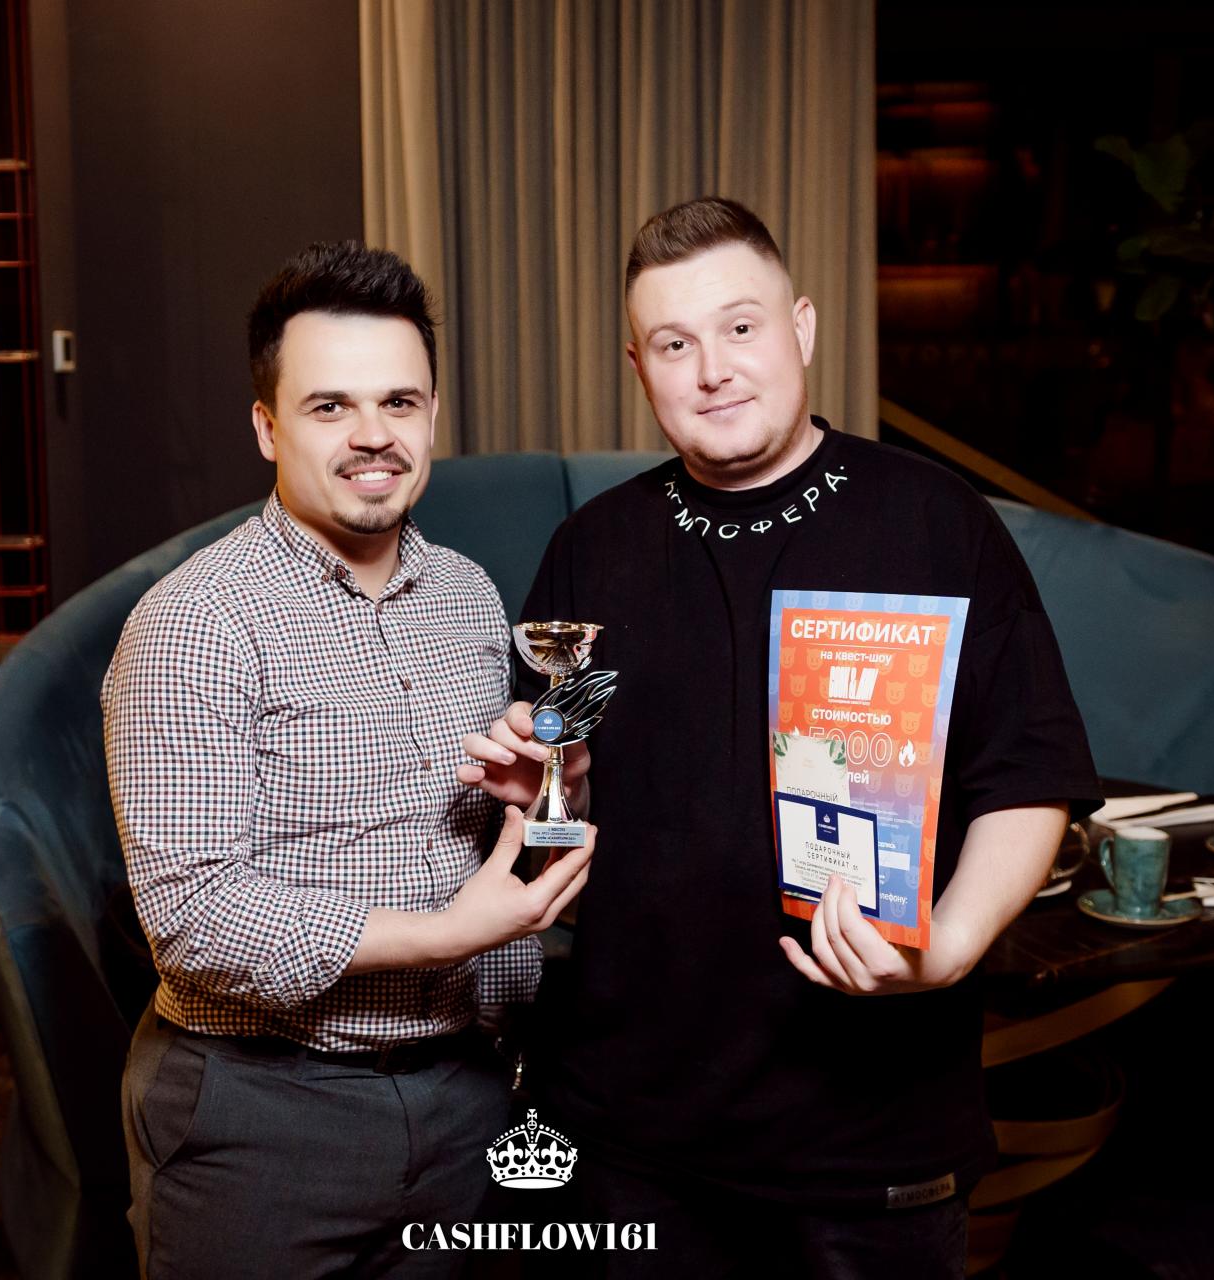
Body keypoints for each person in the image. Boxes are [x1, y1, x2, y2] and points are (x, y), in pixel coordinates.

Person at [456, 198, 1101, 1277]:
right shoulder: (593, 547)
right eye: (675, 344)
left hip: (871, 1129)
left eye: (741, 327)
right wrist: (547, 785)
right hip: (631, 1128)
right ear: (640, 368)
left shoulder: (934, 521)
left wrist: (947, 946)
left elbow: (1027, 773)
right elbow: (572, 784)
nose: (713, 369)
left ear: (800, 328)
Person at [106, 241, 594, 1279]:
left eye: (399, 402)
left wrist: (533, 800)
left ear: (432, 415)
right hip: (262, 1115)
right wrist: (442, 934)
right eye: (330, 406)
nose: (374, 434)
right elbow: (191, 913)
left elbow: (477, 842)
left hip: (467, 1094)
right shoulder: (196, 621)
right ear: (266, 426)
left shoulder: (468, 595)